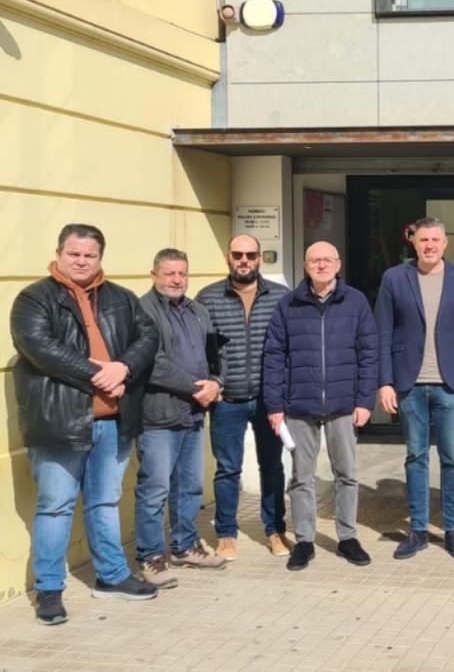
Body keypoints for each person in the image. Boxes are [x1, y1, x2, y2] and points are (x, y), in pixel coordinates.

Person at [11, 224, 160, 625]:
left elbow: (149, 337)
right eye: (74, 253)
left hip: (112, 422)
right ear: (59, 253)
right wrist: (99, 373)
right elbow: (39, 347)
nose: (81, 261)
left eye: (89, 255)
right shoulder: (34, 299)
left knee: (105, 502)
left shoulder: (122, 299)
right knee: (55, 507)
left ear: (100, 258)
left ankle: (111, 577)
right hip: (60, 424)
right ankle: (49, 591)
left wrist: (124, 367)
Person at [264, 241, 379, 571]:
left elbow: (368, 354)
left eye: (328, 260)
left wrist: (364, 400)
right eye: (315, 260)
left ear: (338, 265)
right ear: (305, 265)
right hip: (299, 405)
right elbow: (274, 358)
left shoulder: (356, 302)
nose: (322, 265)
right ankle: (304, 540)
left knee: (347, 474)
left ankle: (347, 537)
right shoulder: (288, 305)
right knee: (301, 477)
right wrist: (275, 406)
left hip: (344, 405)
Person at [376, 217, 454, 561]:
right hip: (409, 384)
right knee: (416, 458)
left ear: (445, 243)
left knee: (453, 460)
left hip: (452, 385)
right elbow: (382, 332)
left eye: (436, 239)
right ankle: (418, 530)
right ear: (413, 242)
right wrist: (384, 382)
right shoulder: (394, 278)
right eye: (424, 240)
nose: (430, 245)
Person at [135, 249, 228, 589]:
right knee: (155, 489)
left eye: (182, 274)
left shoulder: (198, 311)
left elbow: (216, 353)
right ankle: (151, 557)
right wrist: (196, 387)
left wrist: (216, 383)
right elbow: (153, 362)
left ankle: (186, 545)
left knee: (189, 486)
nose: (176, 279)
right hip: (158, 416)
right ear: (154, 274)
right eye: (169, 273)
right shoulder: (143, 312)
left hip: (192, 414)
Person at [196, 235, 289, 560]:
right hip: (227, 401)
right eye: (238, 254)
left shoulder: (280, 297)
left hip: (269, 401)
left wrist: (283, 395)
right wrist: (211, 383)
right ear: (228, 257)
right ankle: (225, 533)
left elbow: (289, 348)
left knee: (272, 467)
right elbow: (200, 350)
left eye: (251, 254)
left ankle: (275, 530)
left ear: (260, 258)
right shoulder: (207, 298)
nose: (244, 260)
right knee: (227, 469)